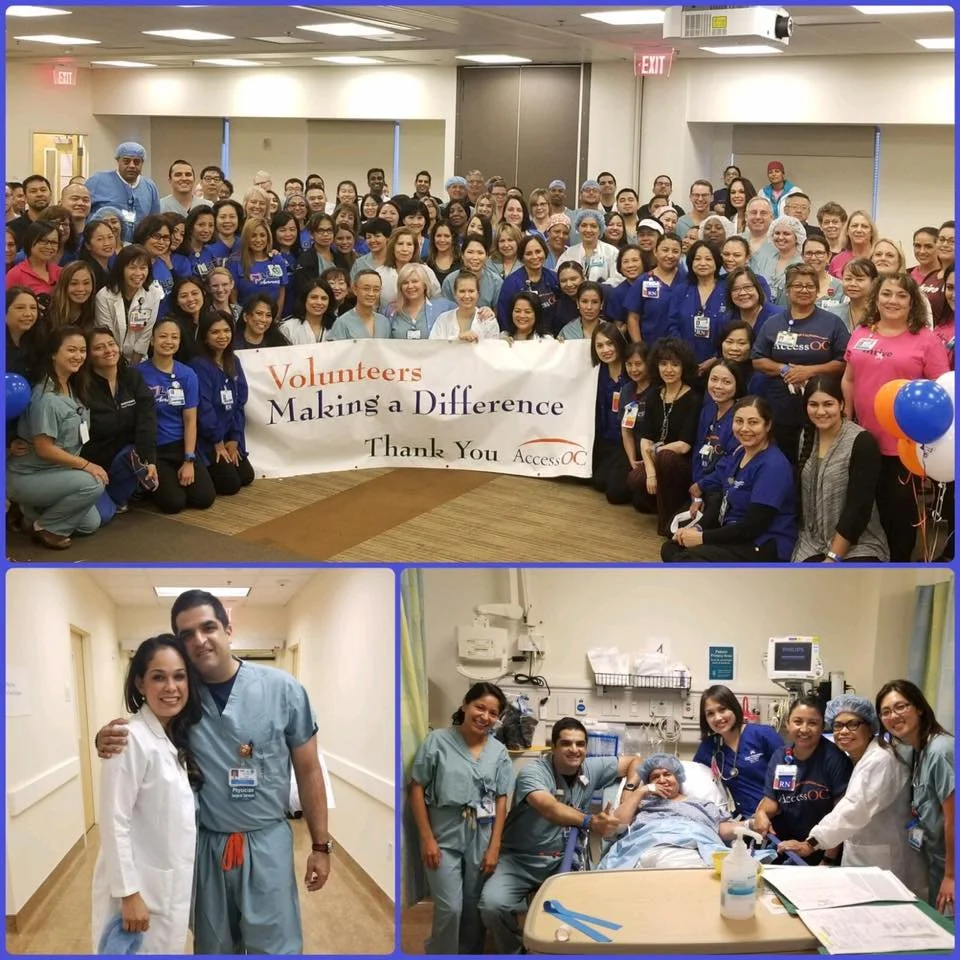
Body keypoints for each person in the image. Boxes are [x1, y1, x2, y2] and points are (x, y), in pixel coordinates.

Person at [95, 590, 331, 953]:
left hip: (267, 842)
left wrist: (320, 845)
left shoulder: (283, 690)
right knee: (214, 945)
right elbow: (146, 736)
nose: (199, 640)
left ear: (228, 629)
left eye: (208, 627)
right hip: (207, 846)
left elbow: (310, 771)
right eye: (186, 634)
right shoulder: (182, 697)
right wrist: (105, 738)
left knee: (277, 946)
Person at [477, 718, 636, 954]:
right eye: (566, 743)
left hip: (562, 858)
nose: (574, 749)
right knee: (491, 906)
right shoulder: (534, 772)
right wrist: (590, 821)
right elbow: (549, 807)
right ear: (554, 747)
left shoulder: (590, 768)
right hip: (519, 859)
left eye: (580, 744)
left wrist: (630, 789)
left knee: (584, 906)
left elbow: (634, 761)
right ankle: (516, 950)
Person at [91, 634, 203, 953]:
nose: (171, 687)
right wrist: (128, 893)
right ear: (140, 683)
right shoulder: (128, 738)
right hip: (138, 895)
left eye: (179, 676)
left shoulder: (174, 737)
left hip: (164, 887)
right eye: (158, 677)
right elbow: (115, 821)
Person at [842, 272, 950, 561]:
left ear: (912, 301)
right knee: (866, 509)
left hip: (903, 447)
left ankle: (899, 566)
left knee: (899, 515)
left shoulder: (926, 340)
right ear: (876, 297)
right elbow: (849, 379)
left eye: (902, 295)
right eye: (886, 294)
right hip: (863, 440)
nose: (893, 301)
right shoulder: (862, 332)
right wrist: (847, 417)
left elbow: (941, 392)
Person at [776, 695, 925, 895]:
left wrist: (811, 843)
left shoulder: (880, 760)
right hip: (865, 854)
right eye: (837, 726)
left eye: (853, 724)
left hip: (883, 862)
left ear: (871, 726)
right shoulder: (860, 757)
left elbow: (854, 808)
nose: (843, 731)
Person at [409, 683, 513, 954]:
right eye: (480, 707)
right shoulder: (437, 741)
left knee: (472, 906)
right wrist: (426, 838)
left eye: (493, 713)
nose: (485, 716)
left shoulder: (499, 752)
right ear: (465, 705)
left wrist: (495, 845)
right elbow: (416, 787)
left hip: (482, 835)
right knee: (450, 908)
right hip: (443, 835)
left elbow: (502, 798)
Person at [663, 396, 798, 563]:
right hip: (734, 533)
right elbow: (722, 497)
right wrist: (699, 527)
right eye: (739, 421)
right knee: (670, 547)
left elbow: (752, 527)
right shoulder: (740, 453)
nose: (744, 428)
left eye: (753, 422)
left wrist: (702, 537)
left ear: (768, 425)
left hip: (761, 543)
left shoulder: (773, 466)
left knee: (687, 560)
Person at [7, 325, 104, 549]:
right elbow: (44, 449)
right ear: (53, 353)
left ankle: (32, 517)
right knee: (93, 483)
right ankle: (47, 529)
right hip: (29, 475)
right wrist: (87, 465)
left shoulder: (73, 386)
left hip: (57, 473)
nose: (78, 356)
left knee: (91, 524)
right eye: (71, 350)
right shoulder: (45, 398)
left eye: (82, 350)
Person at [752, 263, 850, 463]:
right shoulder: (773, 323)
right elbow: (757, 359)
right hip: (781, 409)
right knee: (784, 461)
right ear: (787, 291)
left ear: (817, 291)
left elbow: (844, 362)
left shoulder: (832, 323)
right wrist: (783, 368)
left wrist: (810, 372)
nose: (804, 290)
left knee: (816, 462)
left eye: (810, 286)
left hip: (820, 410)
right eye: (798, 286)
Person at [601, 754, 756, 871]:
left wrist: (750, 824)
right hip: (650, 846)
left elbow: (722, 829)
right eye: (655, 777)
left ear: (678, 777)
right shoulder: (642, 804)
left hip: (697, 848)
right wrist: (640, 791)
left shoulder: (701, 804)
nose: (662, 780)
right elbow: (616, 825)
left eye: (667, 774)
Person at [877, 680, 954, 913]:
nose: (893, 716)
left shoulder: (942, 751)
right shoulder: (917, 751)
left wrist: (952, 876)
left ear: (919, 707)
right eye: (886, 712)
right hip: (937, 863)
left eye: (901, 707)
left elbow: (955, 819)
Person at [792, 375, 888, 562]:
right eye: (813, 405)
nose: (820, 412)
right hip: (811, 542)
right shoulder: (807, 435)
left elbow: (858, 508)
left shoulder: (862, 442)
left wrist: (832, 558)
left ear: (842, 405)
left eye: (828, 404)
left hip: (858, 544)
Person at [753, 696, 852, 863]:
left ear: (822, 727)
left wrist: (828, 860)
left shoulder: (834, 759)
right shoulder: (781, 757)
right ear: (787, 724)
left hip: (822, 848)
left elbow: (841, 815)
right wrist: (761, 813)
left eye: (812, 723)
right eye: (798, 722)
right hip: (786, 847)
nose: (804, 729)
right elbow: (772, 801)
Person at [137, 318, 216, 514]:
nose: (168, 341)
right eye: (163, 336)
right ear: (153, 340)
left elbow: (190, 420)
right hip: (155, 449)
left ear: (180, 342)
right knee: (174, 504)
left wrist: (189, 460)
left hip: (181, 445)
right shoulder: (138, 374)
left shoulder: (188, 374)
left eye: (174, 337)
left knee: (204, 498)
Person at [82, 326, 159, 520]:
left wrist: (149, 460)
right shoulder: (82, 384)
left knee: (134, 454)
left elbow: (146, 419)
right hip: (92, 463)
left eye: (111, 344)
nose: (108, 350)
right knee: (104, 516)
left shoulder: (132, 377)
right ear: (89, 355)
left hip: (123, 458)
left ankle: (116, 495)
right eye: (99, 347)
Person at [630, 337, 701, 536]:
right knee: (636, 478)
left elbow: (685, 445)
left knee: (666, 458)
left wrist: (656, 452)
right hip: (658, 457)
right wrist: (651, 473)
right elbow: (645, 439)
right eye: (663, 364)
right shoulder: (654, 395)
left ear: (683, 367)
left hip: (681, 463)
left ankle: (667, 525)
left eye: (675, 364)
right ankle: (668, 510)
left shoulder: (693, 398)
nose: (668, 369)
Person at [693, 687, 783, 818]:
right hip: (743, 821)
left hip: (779, 815)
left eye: (722, 709)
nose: (717, 717)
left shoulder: (763, 734)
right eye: (710, 713)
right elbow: (692, 778)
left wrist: (768, 809)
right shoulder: (709, 747)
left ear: (734, 708)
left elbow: (789, 774)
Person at [190, 313, 254, 496]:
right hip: (208, 439)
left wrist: (234, 439)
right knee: (230, 485)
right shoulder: (199, 365)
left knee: (246, 476)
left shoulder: (233, 361)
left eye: (226, 331)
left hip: (228, 435)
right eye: (215, 332)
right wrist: (218, 442)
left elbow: (240, 401)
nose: (222, 336)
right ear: (205, 336)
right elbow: (204, 409)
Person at [94, 244, 162, 364]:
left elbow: (145, 336)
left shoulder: (153, 294)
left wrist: (132, 369)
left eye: (143, 268)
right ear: (121, 269)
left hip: (138, 359)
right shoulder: (104, 295)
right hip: (108, 356)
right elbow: (107, 336)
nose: (138, 273)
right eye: (132, 267)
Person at [671, 240, 728, 380]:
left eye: (708, 259)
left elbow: (733, 327)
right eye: (697, 258)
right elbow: (672, 324)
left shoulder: (728, 290)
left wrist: (715, 358)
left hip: (720, 365)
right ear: (690, 262)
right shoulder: (681, 290)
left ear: (717, 262)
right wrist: (683, 356)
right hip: (684, 363)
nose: (703, 263)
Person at [689, 360, 744, 504]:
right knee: (673, 524)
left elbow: (731, 462)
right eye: (714, 379)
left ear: (737, 385)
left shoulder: (740, 417)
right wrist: (697, 483)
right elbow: (698, 449)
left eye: (726, 382)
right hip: (701, 483)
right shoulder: (707, 411)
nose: (718, 386)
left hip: (723, 486)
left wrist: (701, 485)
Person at [86, 142, 161, 241]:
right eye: (126, 161)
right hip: (104, 245)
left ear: (142, 163)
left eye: (136, 162)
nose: (132, 165)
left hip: (137, 247)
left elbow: (154, 222)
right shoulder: (97, 181)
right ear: (118, 160)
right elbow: (82, 213)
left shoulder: (149, 186)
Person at [589, 322, 630, 495]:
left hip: (627, 443)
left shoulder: (632, 371)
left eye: (610, 343)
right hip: (603, 440)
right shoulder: (595, 373)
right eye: (599, 345)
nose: (605, 349)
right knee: (597, 481)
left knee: (616, 492)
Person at [624, 232, 683, 344]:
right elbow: (633, 318)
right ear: (655, 251)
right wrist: (640, 347)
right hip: (651, 348)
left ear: (681, 254)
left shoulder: (687, 280)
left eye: (675, 251)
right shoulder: (644, 281)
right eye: (665, 250)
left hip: (681, 349)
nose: (670, 255)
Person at [228, 216, 287, 314]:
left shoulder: (277, 260)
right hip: (245, 320)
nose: (258, 240)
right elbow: (233, 296)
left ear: (268, 237)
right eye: (253, 235)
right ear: (246, 237)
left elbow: (281, 292)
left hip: (271, 319)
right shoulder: (235, 262)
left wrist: (277, 317)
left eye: (262, 235)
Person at [385, 264, 454, 341]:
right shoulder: (391, 310)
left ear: (424, 285)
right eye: (405, 282)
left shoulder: (443, 307)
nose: (410, 286)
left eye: (415, 281)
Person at [429, 272, 499, 341]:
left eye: (471, 291)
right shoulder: (443, 320)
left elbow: (493, 349)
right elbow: (434, 348)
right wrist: (457, 339)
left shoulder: (488, 320)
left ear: (478, 294)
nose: (467, 296)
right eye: (462, 291)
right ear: (455, 294)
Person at [556, 209, 622, 282]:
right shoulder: (569, 253)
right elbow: (559, 276)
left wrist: (599, 288)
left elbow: (617, 279)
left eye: (593, 226)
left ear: (600, 229)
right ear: (578, 228)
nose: (588, 230)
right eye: (584, 225)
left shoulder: (611, 252)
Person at [280, 276, 338, 344]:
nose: (319, 302)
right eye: (314, 297)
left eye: (324, 298)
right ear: (304, 299)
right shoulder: (288, 328)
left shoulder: (337, 326)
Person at [829, 210, 878, 279]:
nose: (859, 230)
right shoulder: (836, 260)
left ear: (872, 232)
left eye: (864, 226)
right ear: (847, 231)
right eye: (854, 226)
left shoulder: (879, 258)